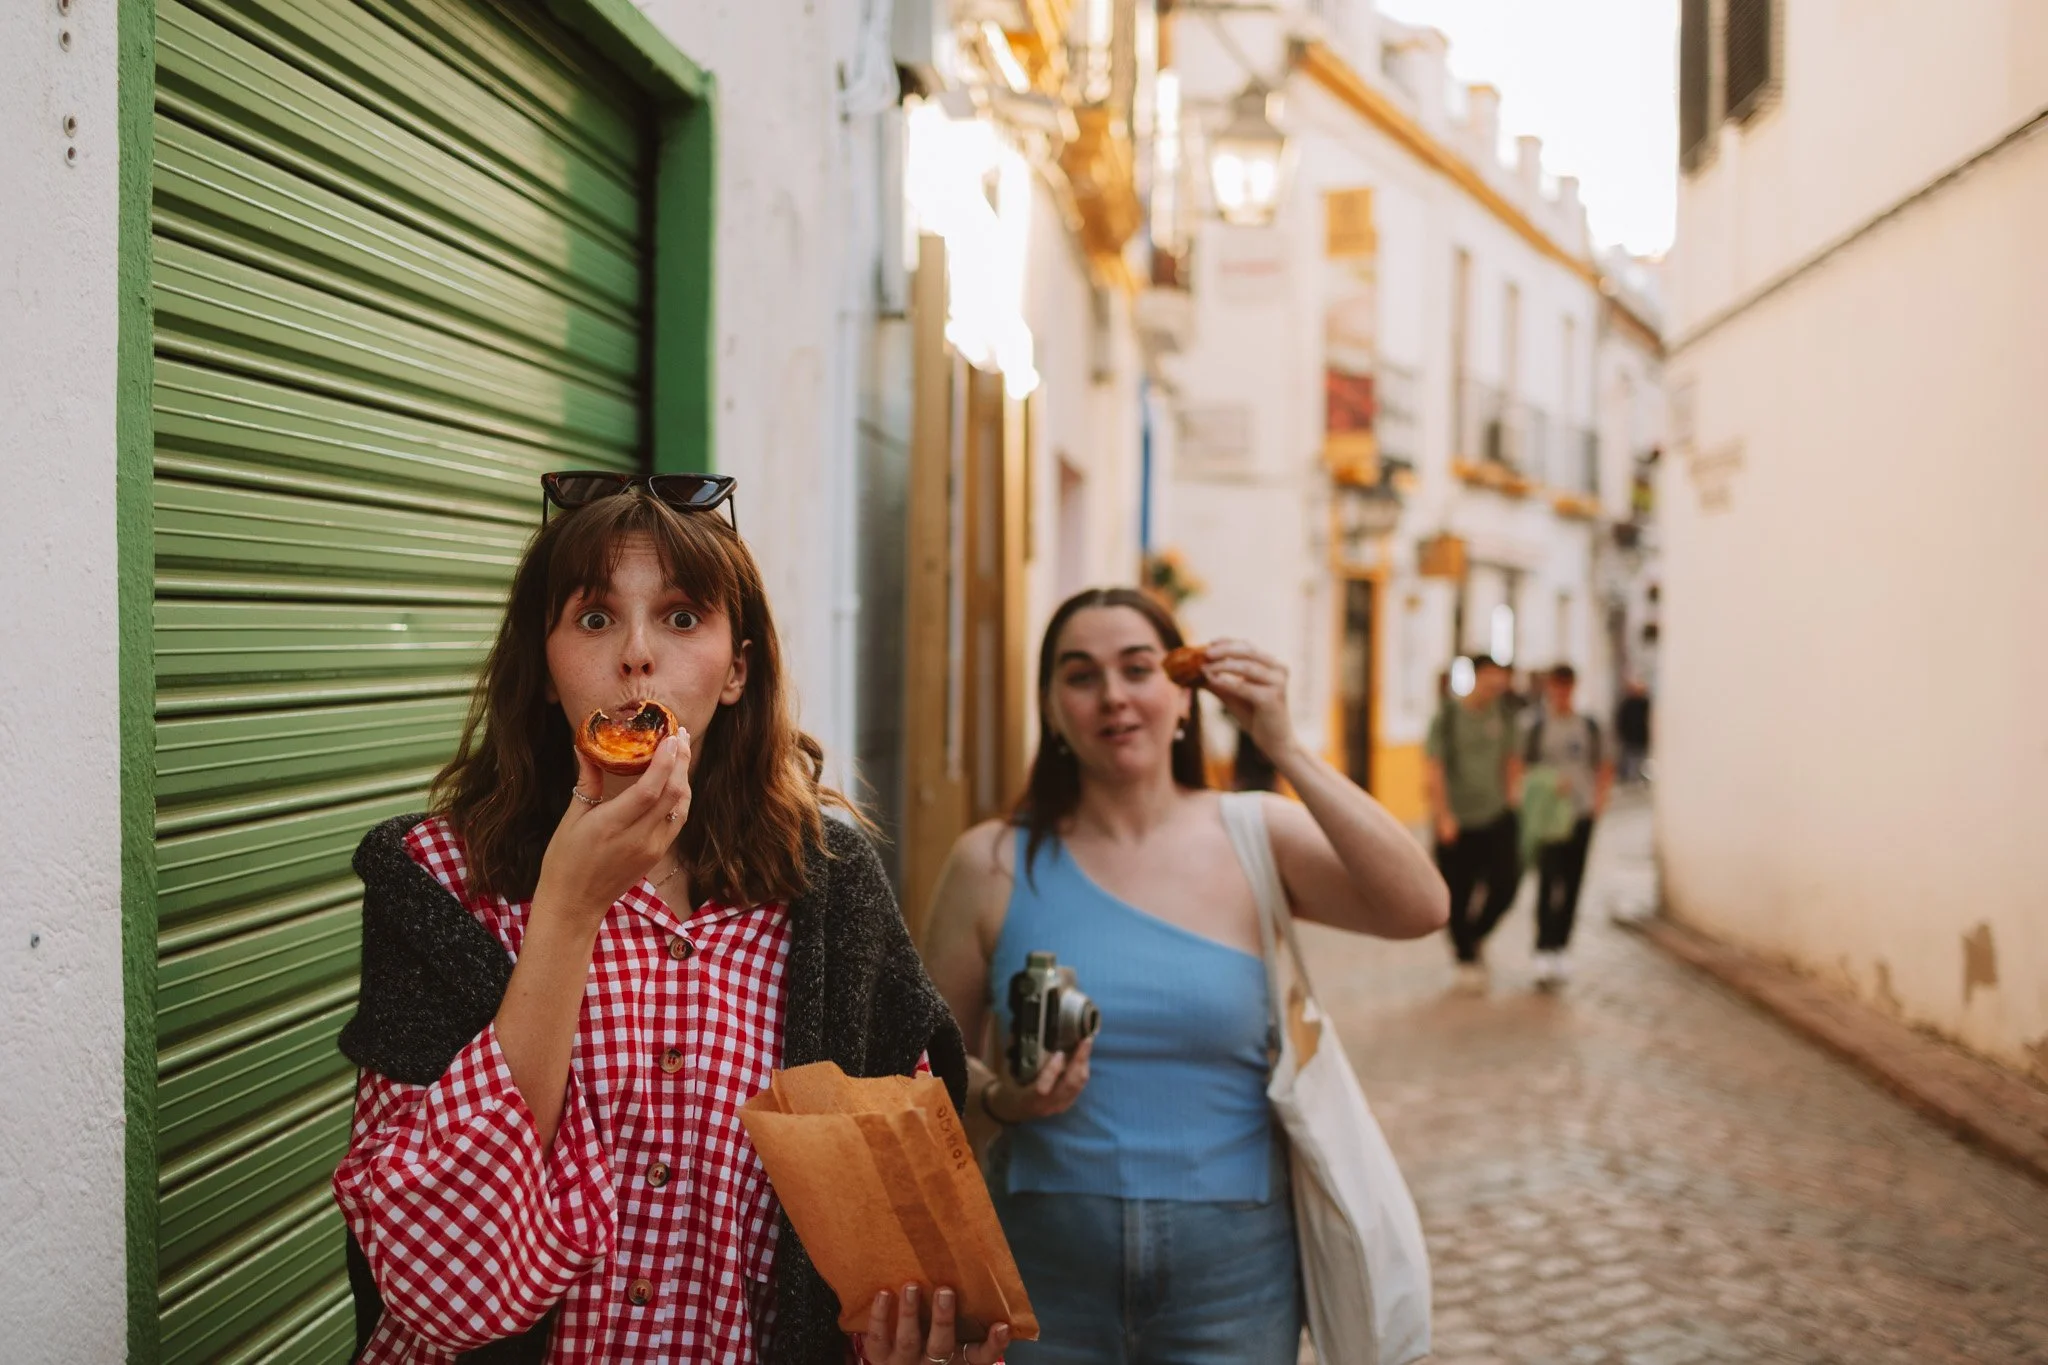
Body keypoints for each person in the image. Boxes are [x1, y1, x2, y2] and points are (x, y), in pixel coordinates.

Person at [331, 475, 1006, 1365]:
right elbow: (437, 1288)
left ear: (736, 669)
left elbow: (902, 1238)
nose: (636, 655)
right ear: (543, 665)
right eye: (595, 617)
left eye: (682, 618)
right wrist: (568, 907)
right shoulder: (438, 877)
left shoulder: (832, 898)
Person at [918, 588, 1448, 1365]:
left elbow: (1421, 904)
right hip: (1041, 1268)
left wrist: (1288, 747)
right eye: (1081, 675)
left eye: (1139, 668)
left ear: (1186, 697)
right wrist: (1004, 1097)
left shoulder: (1254, 833)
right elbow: (923, 1074)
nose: (1114, 696)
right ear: (1050, 707)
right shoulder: (990, 861)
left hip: (1236, 1270)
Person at [1508, 664, 1614, 987]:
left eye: (1566, 686)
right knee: (1547, 881)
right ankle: (1543, 945)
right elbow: (1518, 766)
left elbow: (1604, 764)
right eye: (1556, 686)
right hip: (1548, 816)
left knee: (1573, 881)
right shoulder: (1536, 726)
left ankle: (1562, 945)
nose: (1561, 692)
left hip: (1579, 814)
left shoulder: (1590, 726)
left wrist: (1598, 802)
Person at [1424, 654, 1522, 991]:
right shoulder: (1449, 716)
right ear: (1477, 677)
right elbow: (1434, 766)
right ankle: (1465, 956)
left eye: (1501, 678)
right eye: (1490, 677)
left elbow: (1511, 759)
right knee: (1456, 893)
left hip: (1495, 815)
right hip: (1458, 820)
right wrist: (1443, 815)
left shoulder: (1504, 714)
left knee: (1506, 884)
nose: (1497, 684)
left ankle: (1476, 935)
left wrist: (1512, 800)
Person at [1615, 679, 1651, 784]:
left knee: (1640, 760)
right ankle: (1632, 780)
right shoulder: (1627, 704)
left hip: (1641, 737)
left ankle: (1637, 780)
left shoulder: (1645, 704)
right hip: (1630, 737)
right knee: (1630, 760)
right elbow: (1621, 721)